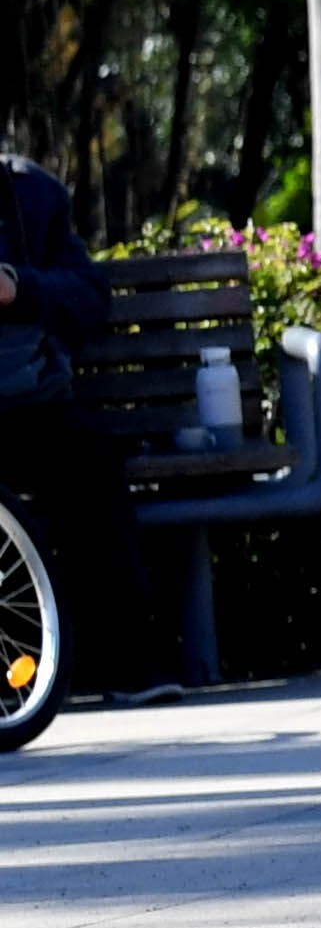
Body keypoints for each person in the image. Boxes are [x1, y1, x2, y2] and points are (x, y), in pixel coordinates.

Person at [0, 153, 159, 699]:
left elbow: (89, 297)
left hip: (28, 407)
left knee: (90, 461)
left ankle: (125, 670)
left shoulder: (31, 196)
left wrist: (19, 287)